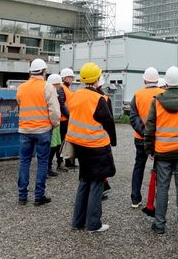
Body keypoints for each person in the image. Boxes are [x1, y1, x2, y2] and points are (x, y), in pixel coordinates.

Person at [144, 66, 178, 235]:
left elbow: (150, 127)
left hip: (163, 152)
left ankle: (159, 225)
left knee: (163, 188)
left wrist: (149, 149)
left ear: (165, 83)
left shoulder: (157, 101)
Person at [67, 62, 116, 232]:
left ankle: (77, 221)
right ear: (97, 79)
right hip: (96, 145)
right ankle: (93, 224)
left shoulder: (74, 95)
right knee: (96, 183)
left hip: (79, 145)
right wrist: (113, 141)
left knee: (84, 180)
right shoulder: (99, 99)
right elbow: (109, 122)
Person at [16, 58, 60, 206]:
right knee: (42, 162)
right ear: (43, 71)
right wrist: (54, 124)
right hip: (42, 130)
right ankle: (38, 196)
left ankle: (22, 196)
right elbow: (54, 111)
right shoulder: (48, 87)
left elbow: (20, 104)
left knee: (24, 161)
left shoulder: (21, 87)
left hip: (25, 129)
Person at [129, 67, 163, 208]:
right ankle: (160, 198)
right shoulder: (163, 94)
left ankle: (135, 199)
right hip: (159, 138)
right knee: (161, 169)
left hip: (140, 138)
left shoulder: (137, 94)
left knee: (139, 166)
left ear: (144, 80)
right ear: (157, 80)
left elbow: (133, 116)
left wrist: (144, 131)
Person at [47, 74, 63, 177]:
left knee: (55, 146)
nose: (60, 86)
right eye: (58, 84)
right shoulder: (50, 94)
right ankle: (47, 168)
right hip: (52, 124)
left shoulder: (54, 93)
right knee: (51, 147)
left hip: (55, 124)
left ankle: (48, 167)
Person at [59, 68, 75, 169]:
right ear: (64, 77)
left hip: (67, 119)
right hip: (63, 120)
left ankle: (68, 161)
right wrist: (69, 116)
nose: (72, 79)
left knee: (67, 141)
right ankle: (60, 162)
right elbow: (61, 104)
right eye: (70, 77)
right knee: (61, 142)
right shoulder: (61, 88)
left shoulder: (67, 88)